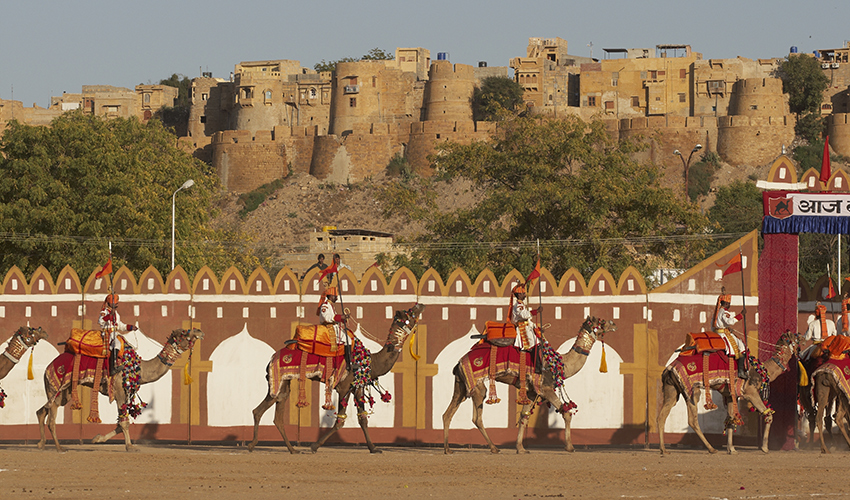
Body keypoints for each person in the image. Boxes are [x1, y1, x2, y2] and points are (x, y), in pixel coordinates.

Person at [712, 292, 748, 379]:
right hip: (723, 334)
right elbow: (729, 322)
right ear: (726, 303)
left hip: (721, 332)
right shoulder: (724, 312)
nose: (729, 305)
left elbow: (721, 324)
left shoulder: (718, 311)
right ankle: (740, 371)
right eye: (729, 303)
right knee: (742, 347)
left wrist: (727, 328)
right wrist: (741, 315)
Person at [509, 283, 542, 351]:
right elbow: (524, 315)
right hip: (523, 328)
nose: (525, 295)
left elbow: (527, 319)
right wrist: (536, 311)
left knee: (536, 343)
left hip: (526, 326)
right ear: (519, 295)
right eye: (523, 293)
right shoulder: (518, 306)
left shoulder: (521, 304)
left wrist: (536, 327)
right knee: (534, 345)